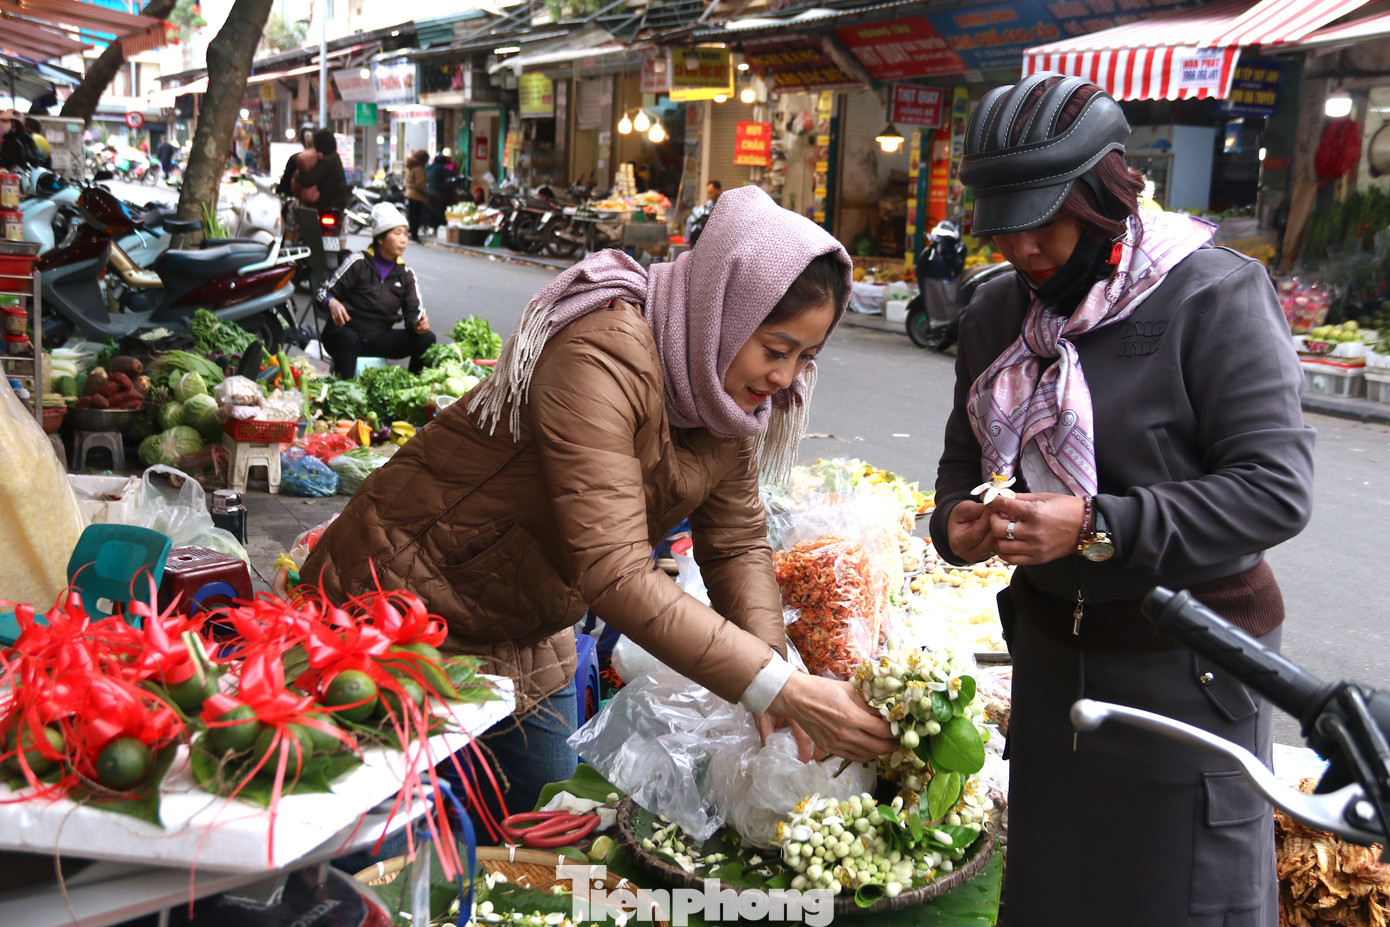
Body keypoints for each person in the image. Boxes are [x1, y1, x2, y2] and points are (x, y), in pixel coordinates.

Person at [300, 185, 896, 824]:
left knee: (542, 836)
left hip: (526, 631)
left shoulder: (727, 401)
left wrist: (773, 678)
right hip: (400, 613)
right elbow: (614, 570)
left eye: (806, 357)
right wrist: (782, 686)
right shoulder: (604, 349)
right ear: (721, 307)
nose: (785, 379)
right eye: (775, 350)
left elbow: (737, 543)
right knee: (392, 853)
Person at [930, 73, 1315, 927]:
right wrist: (957, 526)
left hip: (1191, 672)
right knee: (1054, 896)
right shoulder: (996, 314)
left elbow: (1275, 492)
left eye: (1047, 223)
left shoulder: (1210, 295)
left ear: (1102, 199)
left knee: (1179, 899)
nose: (1024, 249)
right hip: (1053, 666)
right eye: (1006, 228)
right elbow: (961, 467)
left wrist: (1098, 525)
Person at [314, 203, 434, 379]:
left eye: (406, 234)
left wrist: (418, 325)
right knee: (348, 339)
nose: (404, 240)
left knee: (427, 340)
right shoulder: (358, 262)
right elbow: (322, 291)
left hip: (378, 338)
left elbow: (414, 314)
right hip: (345, 332)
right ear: (380, 238)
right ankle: (344, 391)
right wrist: (331, 302)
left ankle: (413, 389)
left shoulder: (406, 275)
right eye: (397, 233)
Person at [294, 128, 348, 210]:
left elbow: (308, 180)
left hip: (326, 204)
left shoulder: (327, 161)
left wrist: (298, 174)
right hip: (338, 205)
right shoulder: (334, 157)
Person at [277, 127, 314, 197]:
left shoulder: (296, 158)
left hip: (300, 200)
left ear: (302, 142)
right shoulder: (323, 158)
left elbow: (285, 184)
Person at [403, 150, 428, 241]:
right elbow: (420, 183)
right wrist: (425, 187)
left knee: (412, 214)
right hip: (417, 195)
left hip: (410, 193)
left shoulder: (411, 167)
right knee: (416, 215)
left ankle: (412, 233)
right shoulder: (419, 169)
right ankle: (414, 235)